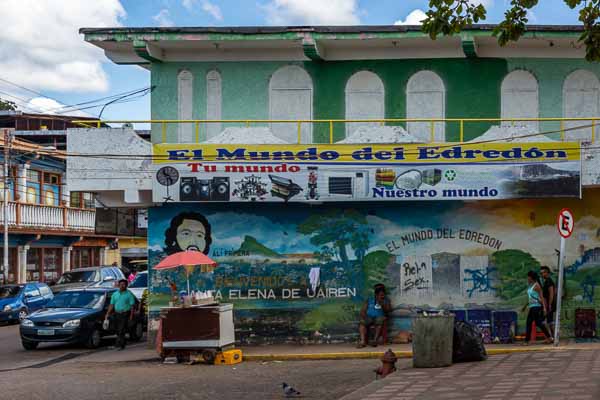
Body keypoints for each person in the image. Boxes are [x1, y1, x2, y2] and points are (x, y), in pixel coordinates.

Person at [522, 271, 553, 345]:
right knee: (539, 323)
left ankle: (526, 341)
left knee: (529, 322)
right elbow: (530, 297)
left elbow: (541, 297)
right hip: (532, 307)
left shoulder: (537, 285)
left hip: (536, 307)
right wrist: (525, 306)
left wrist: (544, 308)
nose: (527, 278)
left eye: (528, 277)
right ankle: (550, 337)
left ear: (531, 277)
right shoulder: (531, 285)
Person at [105, 279, 137, 350]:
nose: (122, 286)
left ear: (126, 285)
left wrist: (131, 316)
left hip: (125, 313)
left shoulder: (129, 294)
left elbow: (132, 306)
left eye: (124, 284)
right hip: (116, 313)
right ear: (118, 285)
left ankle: (119, 345)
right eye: (121, 284)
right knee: (116, 329)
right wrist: (107, 313)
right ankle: (121, 343)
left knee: (121, 329)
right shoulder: (115, 294)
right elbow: (111, 305)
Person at [540, 266, 557, 331]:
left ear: (547, 273)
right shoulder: (546, 281)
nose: (541, 274)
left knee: (548, 320)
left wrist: (549, 304)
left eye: (543, 273)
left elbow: (551, 293)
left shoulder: (549, 281)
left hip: (549, 304)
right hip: (546, 304)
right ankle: (551, 336)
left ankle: (551, 336)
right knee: (549, 320)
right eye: (541, 273)